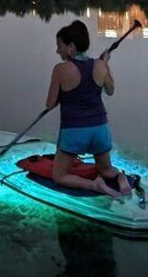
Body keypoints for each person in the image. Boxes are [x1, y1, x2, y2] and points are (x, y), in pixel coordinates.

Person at [45, 20, 131, 198]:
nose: (57, 51)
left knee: (59, 175)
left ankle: (93, 185)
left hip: (75, 131)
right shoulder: (99, 65)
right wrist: (105, 64)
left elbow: (50, 104)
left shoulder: (60, 69)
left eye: (59, 46)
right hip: (100, 128)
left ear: (71, 47)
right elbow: (110, 90)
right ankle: (120, 177)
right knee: (106, 169)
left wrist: (65, 92)